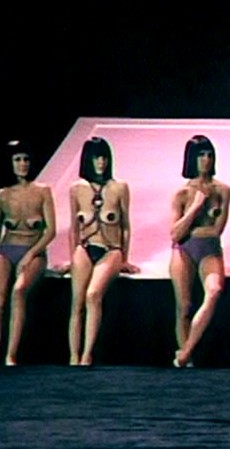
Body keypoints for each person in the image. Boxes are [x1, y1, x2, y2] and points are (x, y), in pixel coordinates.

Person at [0, 139, 56, 367]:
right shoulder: (1, 195)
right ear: (10, 163)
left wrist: (31, 255)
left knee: (19, 291)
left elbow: (50, 231)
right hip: (6, 249)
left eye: (26, 159)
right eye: (18, 160)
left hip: (33, 251)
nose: (23, 164)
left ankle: (10, 356)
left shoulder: (42, 191)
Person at [65, 136, 140, 366]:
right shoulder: (77, 189)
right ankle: (73, 356)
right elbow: (74, 227)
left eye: (105, 158)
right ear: (88, 160)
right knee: (77, 302)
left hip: (111, 250)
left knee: (93, 295)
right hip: (85, 247)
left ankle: (87, 355)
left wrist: (124, 258)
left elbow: (125, 226)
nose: (101, 162)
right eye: (97, 158)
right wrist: (72, 257)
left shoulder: (119, 188)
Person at [169, 134, 230, 368]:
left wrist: (194, 227)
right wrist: (196, 207)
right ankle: (188, 364)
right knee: (184, 307)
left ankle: (185, 352)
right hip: (184, 250)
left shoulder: (223, 190)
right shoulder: (182, 194)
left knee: (214, 291)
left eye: (209, 155)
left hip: (210, 249)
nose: (206, 160)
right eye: (201, 155)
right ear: (191, 159)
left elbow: (216, 230)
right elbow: (175, 234)